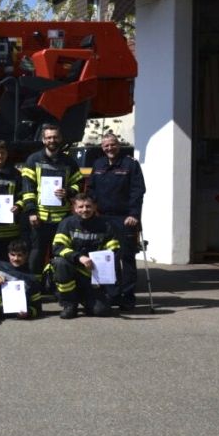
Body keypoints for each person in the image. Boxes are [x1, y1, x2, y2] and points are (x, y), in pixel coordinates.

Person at [87, 133, 146, 311]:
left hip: (125, 218)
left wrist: (134, 214)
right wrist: (91, 210)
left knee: (127, 257)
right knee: (107, 258)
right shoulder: (98, 165)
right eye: (106, 146)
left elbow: (138, 191)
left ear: (118, 145)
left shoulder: (130, 164)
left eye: (112, 145)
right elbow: (91, 189)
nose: (109, 148)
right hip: (103, 218)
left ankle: (127, 297)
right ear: (102, 148)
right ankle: (112, 295)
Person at [21, 123, 82, 274]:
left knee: (60, 253)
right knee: (37, 253)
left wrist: (68, 192)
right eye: (48, 137)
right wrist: (31, 211)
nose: (52, 140)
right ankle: (35, 288)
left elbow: (79, 183)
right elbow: (28, 188)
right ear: (43, 140)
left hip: (62, 219)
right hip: (39, 218)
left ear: (60, 138)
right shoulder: (33, 160)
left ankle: (57, 284)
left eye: (55, 137)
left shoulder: (69, 162)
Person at [51, 194, 121, 319]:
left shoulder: (105, 225)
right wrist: (79, 257)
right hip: (71, 269)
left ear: (95, 207)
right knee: (60, 262)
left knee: (101, 311)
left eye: (88, 206)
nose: (84, 210)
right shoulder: (67, 223)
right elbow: (58, 247)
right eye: (80, 207)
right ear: (75, 208)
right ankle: (69, 304)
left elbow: (113, 249)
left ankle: (84, 297)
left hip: (91, 274)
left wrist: (104, 269)